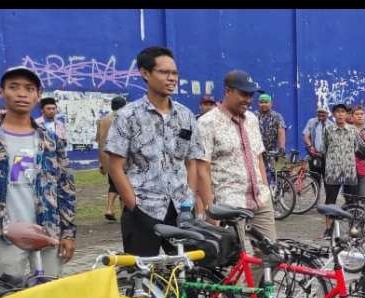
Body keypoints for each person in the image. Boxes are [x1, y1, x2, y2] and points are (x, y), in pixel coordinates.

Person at [0, 66, 76, 281]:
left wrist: (68, 233)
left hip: (49, 232)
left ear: (37, 95)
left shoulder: (51, 141)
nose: (22, 94)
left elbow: (65, 187)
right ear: (1, 92)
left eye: (29, 88)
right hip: (7, 232)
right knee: (8, 295)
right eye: (14, 87)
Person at [105, 46, 202, 256]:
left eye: (174, 73)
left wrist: (188, 202)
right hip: (143, 211)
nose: (171, 78)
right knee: (143, 280)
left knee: (185, 279)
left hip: (180, 212)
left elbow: (191, 162)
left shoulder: (186, 116)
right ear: (145, 73)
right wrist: (135, 207)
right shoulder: (127, 116)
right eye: (164, 72)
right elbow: (115, 167)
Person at [194, 69, 276, 241]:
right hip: (231, 206)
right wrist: (210, 210)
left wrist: (265, 189)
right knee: (242, 260)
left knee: (270, 257)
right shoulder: (207, 123)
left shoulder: (252, 119)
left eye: (250, 95)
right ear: (227, 91)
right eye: (243, 94)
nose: (248, 99)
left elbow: (258, 157)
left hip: (260, 201)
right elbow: (202, 170)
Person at [320, 102, 359, 235]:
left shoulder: (353, 130)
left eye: (343, 112)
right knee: (330, 201)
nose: (340, 114)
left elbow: (356, 147)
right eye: (338, 112)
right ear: (334, 114)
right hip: (332, 171)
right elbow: (324, 148)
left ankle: (353, 227)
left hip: (349, 171)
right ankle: (328, 229)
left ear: (347, 114)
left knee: (352, 201)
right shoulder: (328, 130)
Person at [96, 95, 127, 222]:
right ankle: (122, 211)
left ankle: (110, 208)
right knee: (125, 184)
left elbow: (99, 140)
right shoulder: (124, 118)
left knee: (113, 183)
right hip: (121, 156)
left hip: (106, 157)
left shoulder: (102, 120)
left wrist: (101, 162)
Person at [256, 93, 286, 161]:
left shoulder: (277, 116)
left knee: (271, 171)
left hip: (271, 152)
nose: (263, 104)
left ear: (271, 103)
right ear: (258, 104)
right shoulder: (254, 116)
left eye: (266, 102)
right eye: (261, 102)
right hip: (257, 151)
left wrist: (282, 147)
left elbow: (281, 131)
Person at [302, 105, 333, 171]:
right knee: (315, 174)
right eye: (319, 112)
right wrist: (310, 146)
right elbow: (305, 135)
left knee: (326, 176)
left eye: (323, 113)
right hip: (314, 154)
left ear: (327, 114)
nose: (321, 114)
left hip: (326, 155)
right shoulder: (311, 122)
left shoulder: (331, 125)